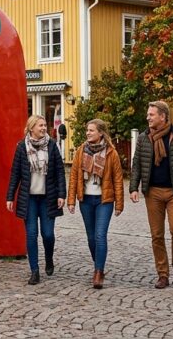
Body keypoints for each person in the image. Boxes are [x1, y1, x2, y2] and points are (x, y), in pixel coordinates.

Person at [129, 100, 173, 289]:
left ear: (163, 116)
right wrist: (133, 187)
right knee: (157, 235)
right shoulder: (144, 138)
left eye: (151, 115)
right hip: (152, 192)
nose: (148, 118)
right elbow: (137, 164)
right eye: (148, 114)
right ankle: (163, 274)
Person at [6, 115, 66, 285]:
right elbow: (15, 173)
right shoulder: (21, 147)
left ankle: (48, 257)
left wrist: (62, 194)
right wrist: (10, 196)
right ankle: (34, 270)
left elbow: (60, 172)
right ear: (31, 128)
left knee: (47, 234)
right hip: (29, 198)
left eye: (45, 125)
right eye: (40, 125)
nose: (44, 128)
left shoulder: (52, 146)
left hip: (48, 197)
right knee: (31, 234)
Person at [66, 119, 124, 289]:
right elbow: (74, 177)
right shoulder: (80, 151)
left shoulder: (111, 153)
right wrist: (71, 201)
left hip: (104, 200)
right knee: (91, 238)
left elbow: (118, 180)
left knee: (100, 235)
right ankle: (98, 261)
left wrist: (119, 204)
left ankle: (98, 271)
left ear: (101, 133)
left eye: (91, 130)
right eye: (87, 130)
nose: (88, 133)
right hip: (85, 200)